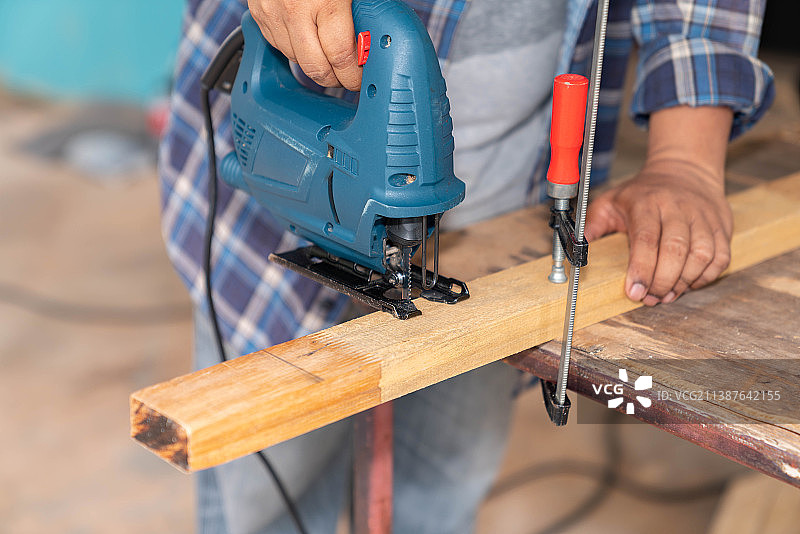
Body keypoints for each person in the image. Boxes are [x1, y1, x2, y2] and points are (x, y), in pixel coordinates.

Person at [158, 0, 774, 532]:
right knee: (263, 497)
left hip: (507, 183)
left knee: (442, 488)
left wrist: (685, 159)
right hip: (259, 238)